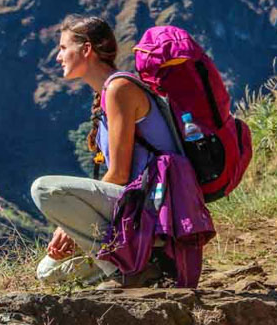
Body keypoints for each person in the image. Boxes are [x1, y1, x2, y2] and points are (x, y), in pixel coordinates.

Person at [30, 15, 178, 287]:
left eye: (63, 48)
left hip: (152, 209)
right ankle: (143, 264)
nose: (58, 56)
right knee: (47, 272)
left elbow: (120, 175)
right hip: (134, 207)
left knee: (44, 190)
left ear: (86, 50)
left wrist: (67, 226)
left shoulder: (120, 88)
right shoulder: (107, 93)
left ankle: (127, 271)